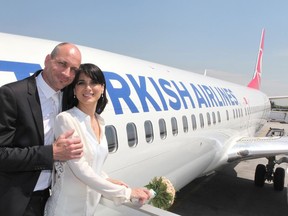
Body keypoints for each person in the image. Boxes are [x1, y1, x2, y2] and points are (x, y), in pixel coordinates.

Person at [44, 63, 151, 216]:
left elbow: (92, 162)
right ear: (74, 89)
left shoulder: (99, 121)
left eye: (93, 82)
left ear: (102, 88)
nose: (88, 88)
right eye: (81, 83)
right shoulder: (66, 119)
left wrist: (106, 179)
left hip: (89, 209)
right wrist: (127, 193)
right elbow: (80, 169)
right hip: (66, 209)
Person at [0, 42, 84, 216]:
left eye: (74, 69)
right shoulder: (12, 95)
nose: (67, 74)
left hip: (48, 199)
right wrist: (51, 153)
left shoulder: (67, 98)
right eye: (62, 64)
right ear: (47, 60)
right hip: (16, 202)